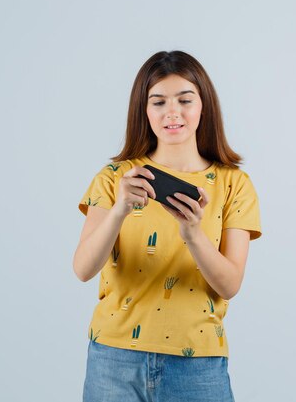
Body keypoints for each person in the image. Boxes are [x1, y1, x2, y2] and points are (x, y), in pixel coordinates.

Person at [73, 50, 262, 402]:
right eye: (158, 101)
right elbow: (83, 269)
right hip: (114, 359)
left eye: (184, 100)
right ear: (143, 110)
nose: (172, 112)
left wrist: (192, 233)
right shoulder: (115, 178)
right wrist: (119, 211)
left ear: (203, 106)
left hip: (198, 363)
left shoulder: (234, 184)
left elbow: (229, 284)